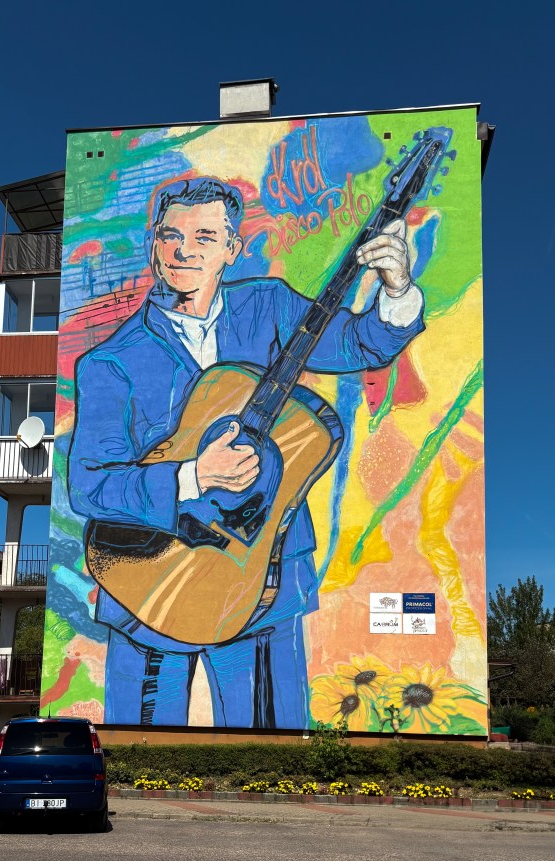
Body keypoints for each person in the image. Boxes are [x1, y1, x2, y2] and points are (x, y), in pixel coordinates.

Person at [68, 176, 425, 729]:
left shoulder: (269, 306)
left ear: (233, 248)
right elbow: (89, 485)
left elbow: (359, 343)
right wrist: (192, 475)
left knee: (273, 741)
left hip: (261, 574)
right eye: (170, 236)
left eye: (205, 237)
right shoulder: (109, 363)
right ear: (153, 243)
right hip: (151, 582)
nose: (184, 250)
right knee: (137, 747)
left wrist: (397, 288)